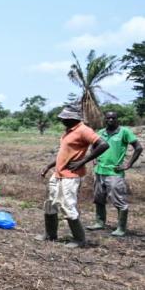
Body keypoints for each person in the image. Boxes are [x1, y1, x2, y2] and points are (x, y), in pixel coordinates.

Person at [37, 106, 108, 247]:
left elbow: (103, 145)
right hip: (58, 173)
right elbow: (64, 153)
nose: (62, 120)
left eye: (64, 118)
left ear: (72, 118)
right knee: (50, 203)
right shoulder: (68, 131)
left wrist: (83, 161)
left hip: (71, 176)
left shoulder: (83, 130)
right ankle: (50, 234)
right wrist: (49, 166)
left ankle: (80, 239)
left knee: (68, 205)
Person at [86, 110, 141, 236]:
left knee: (119, 200)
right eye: (108, 118)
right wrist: (94, 159)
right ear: (104, 119)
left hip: (114, 172)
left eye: (113, 118)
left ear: (117, 119)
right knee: (99, 198)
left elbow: (138, 147)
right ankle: (99, 222)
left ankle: (121, 228)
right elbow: (93, 147)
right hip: (99, 171)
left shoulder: (124, 132)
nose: (110, 120)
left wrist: (129, 164)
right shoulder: (100, 132)